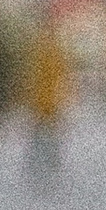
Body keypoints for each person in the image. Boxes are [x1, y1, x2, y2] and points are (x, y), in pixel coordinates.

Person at [22, 18, 71, 181]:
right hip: (44, 103)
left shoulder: (42, 52)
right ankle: (46, 164)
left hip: (46, 102)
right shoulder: (47, 51)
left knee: (44, 136)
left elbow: (56, 78)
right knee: (44, 136)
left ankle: (45, 164)